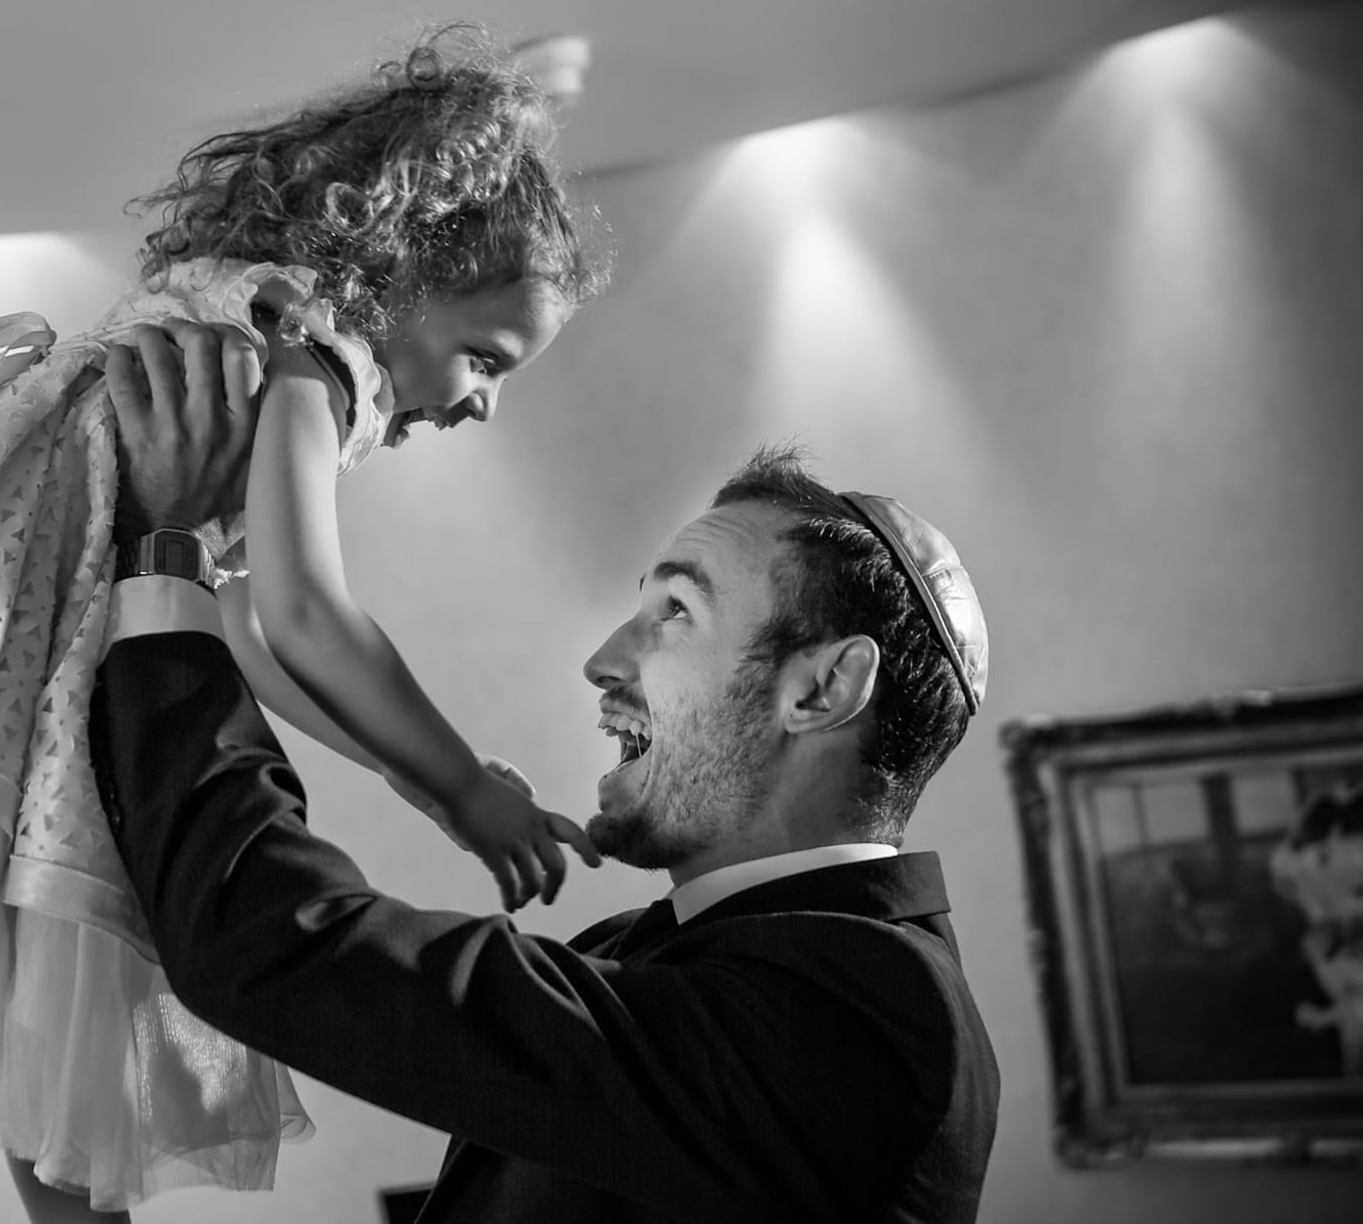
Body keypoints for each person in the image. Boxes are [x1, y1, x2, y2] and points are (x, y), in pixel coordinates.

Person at [0, 29, 602, 1224]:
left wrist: (412, 780)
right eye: (483, 358)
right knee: (51, 1017)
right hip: (53, 686)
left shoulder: (249, 317)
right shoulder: (308, 359)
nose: (481, 400)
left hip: (18, 670)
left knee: (40, 1024)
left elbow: (227, 616)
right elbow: (304, 611)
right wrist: (460, 785)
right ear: (406, 278)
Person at [86, 322, 1001, 1222]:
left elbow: (278, 944)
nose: (604, 660)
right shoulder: (628, 948)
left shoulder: (872, 1020)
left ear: (826, 688)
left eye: (676, 611)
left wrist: (162, 551)